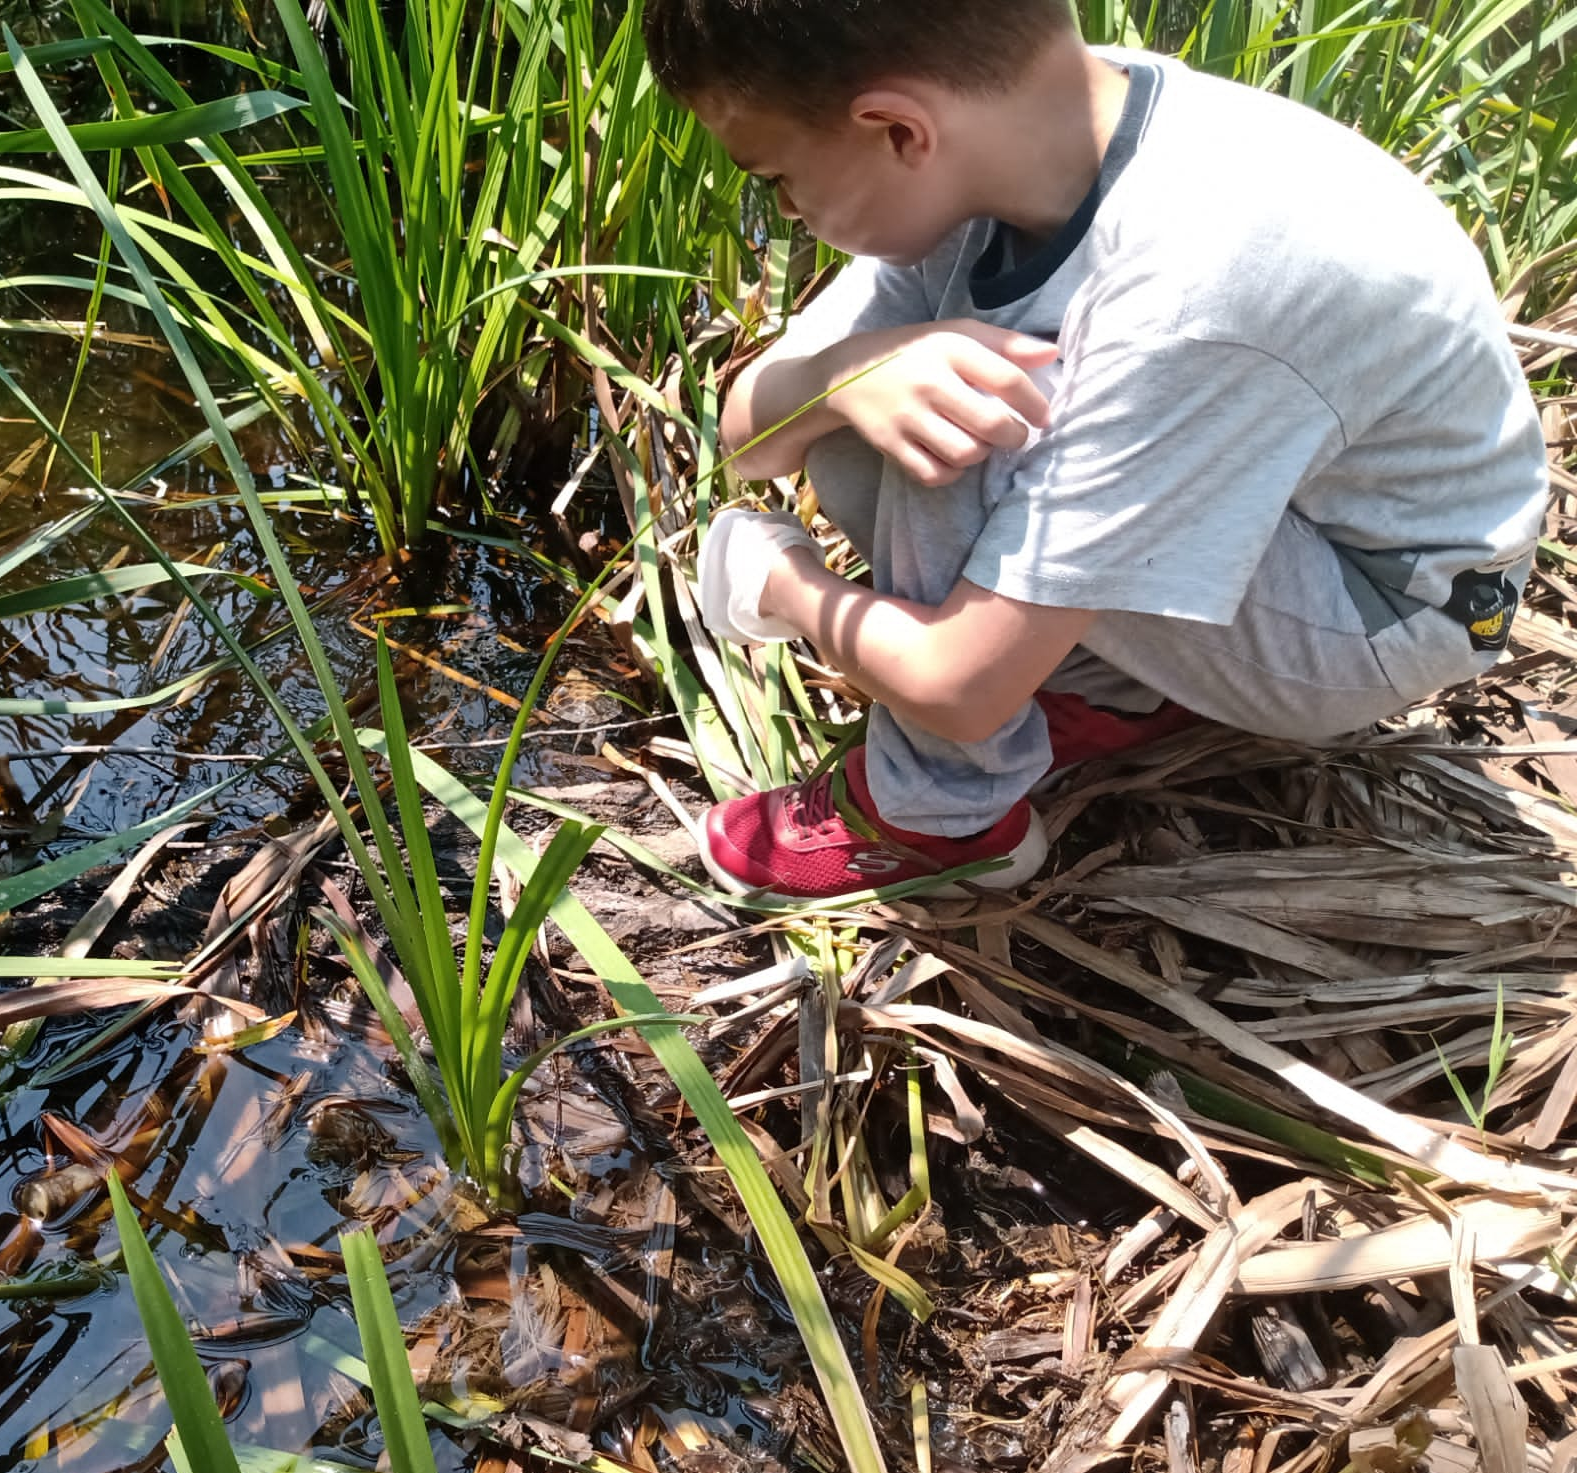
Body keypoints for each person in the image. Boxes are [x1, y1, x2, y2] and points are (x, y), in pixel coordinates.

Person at [643, 0, 1548, 902]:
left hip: (1391, 607)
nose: (787, 209)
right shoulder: (1019, 121)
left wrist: (782, 584)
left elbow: (960, 688)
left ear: (895, 129)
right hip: (1281, 506)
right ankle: (1110, 682)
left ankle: (937, 818)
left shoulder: (1192, 283)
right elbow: (750, 435)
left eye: (773, 178)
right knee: (878, 407)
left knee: (976, 419)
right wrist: (845, 372)